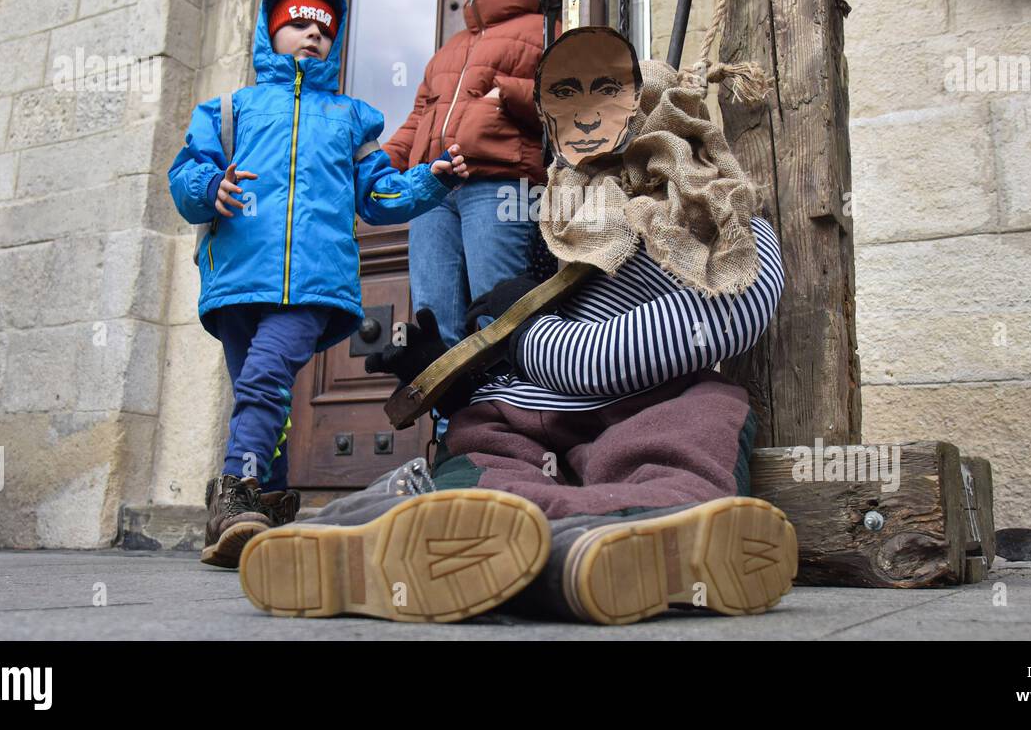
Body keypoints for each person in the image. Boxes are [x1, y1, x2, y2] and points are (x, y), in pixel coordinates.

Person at [234, 33, 800, 625]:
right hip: (526, 410)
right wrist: (451, 372)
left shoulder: (724, 226)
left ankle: (634, 532)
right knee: (485, 449)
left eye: (607, 99)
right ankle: (509, 543)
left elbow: (708, 320)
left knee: (701, 416)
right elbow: (511, 355)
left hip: (648, 403)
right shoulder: (556, 226)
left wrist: (527, 338)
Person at [168, 0, 469, 569]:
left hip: (313, 284)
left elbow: (376, 197)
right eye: (298, 25)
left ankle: (233, 494)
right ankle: (270, 503)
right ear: (270, 33)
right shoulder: (229, 109)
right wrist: (210, 187)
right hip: (236, 280)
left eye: (324, 31)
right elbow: (184, 175)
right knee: (261, 389)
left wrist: (428, 183)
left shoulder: (352, 119)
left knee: (263, 379)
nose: (312, 37)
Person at [382, 0, 550, 349]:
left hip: (498, 184)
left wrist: (504, 93)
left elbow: (570, 102)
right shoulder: (449, 49)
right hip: (433, 191)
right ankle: (448, 418)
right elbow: (418, 119)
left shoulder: (545, 29)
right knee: (434, 322)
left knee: (500, 314)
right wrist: (372, 169)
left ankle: (509, 411)